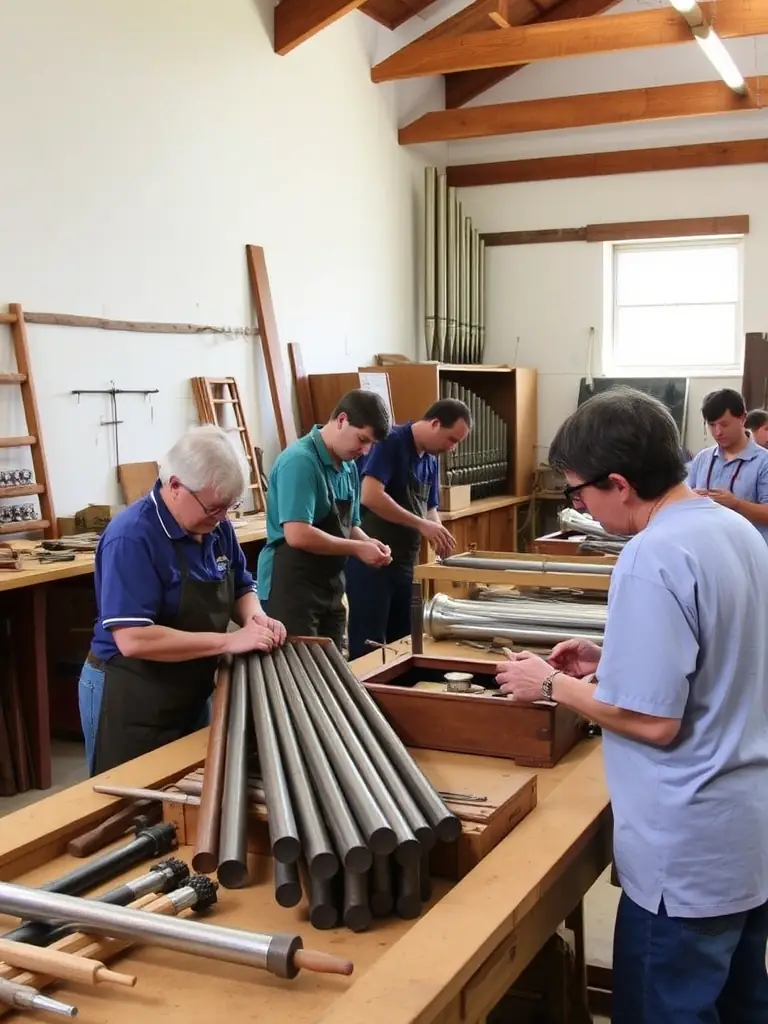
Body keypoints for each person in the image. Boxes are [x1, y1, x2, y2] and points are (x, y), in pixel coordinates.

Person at [495, 387, 768, 1024]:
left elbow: (655, 720)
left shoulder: (651, 555)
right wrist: (611, 658)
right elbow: (723, 651)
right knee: (741, 1008)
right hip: (745, 836)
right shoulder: (734, 529)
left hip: (685, 855)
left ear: (619, 483)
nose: (579, 508)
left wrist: (549, 685)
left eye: (578, 494)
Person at [80, 424, 286, 776]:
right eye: (214, 508)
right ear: (175, 486)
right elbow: (133, 638)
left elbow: (240, 585)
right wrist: (230, 640)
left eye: (229, 507)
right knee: (129, 810)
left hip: (188, 689)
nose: (221, 517)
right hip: (132, 697)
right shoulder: (131, 538)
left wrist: (255, 618)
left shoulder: (215, 527)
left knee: (188, 798)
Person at [257, 389, 392, 647]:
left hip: (329, 587)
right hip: (293, 589)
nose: (364, 451)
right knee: (298, 674)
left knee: (331, 668)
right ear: (342, 420)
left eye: (370, 445)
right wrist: (357, 548)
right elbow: (297, 534)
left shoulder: (348, 465)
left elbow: (349, 525)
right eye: (362, 439)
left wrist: (370, 544)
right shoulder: (300, 462)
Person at [345, 398, 472, 659]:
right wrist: (420, 524)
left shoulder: (432, 458)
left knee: (403, 641)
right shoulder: (391, 441)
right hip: (372, 562)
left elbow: (429, 509)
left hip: (405, 562)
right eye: (452, 439)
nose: (453, 448)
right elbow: (370, 495)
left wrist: (440, 535)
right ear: (435, 423)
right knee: (369, 644)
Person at [686, 387, 768, 542]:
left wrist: (737, 504)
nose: (718, 432)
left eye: (724, 425)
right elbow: (682, 498)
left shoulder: (763, 462)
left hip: (748, 553)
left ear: (743, 418)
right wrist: (691, 498)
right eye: (711, 425)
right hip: (707, 547)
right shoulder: (703, 458)